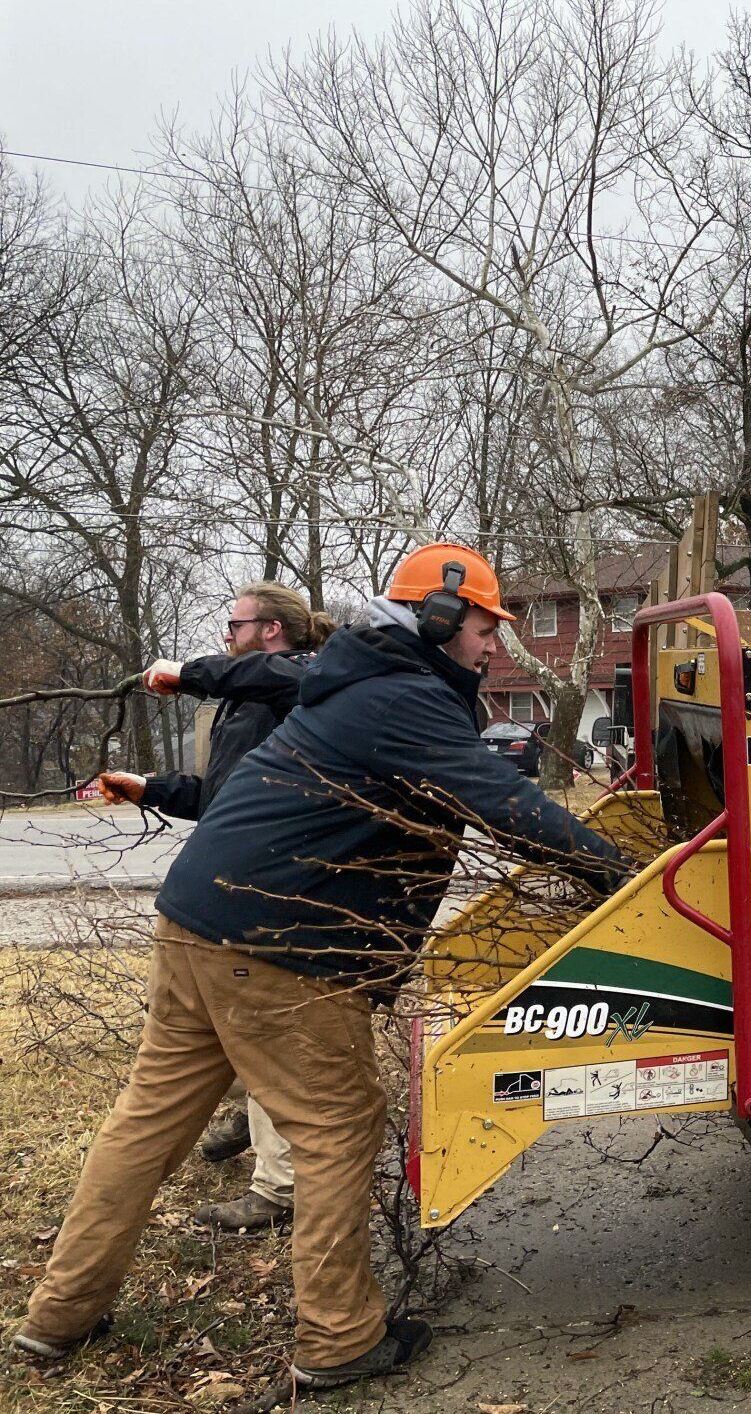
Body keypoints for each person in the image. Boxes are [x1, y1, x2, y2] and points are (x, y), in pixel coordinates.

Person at [14, 543, 629, 1391]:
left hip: (197, 923)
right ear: (442, 619)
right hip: (278, 949)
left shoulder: (361, 681)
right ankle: (340, 1341)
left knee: (144, 1125)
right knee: (337, 1125)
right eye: (488, 627)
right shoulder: (404, 697)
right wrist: (630, 877)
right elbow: (507, 806)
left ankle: (58, 1318)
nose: (495, 647)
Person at [98, 581, 338, 1236]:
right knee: (208, 1032)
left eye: (234, 624)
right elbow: (215, 797)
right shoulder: (240, 702)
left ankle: (279, 1187)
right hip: (224, 891)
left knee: (260, 1036)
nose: (225, 634)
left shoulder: (303, 684)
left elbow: (280, 673)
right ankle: (251, 1111)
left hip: (270, 891)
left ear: (269, 630)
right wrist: (147, 788)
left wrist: (187, 675)